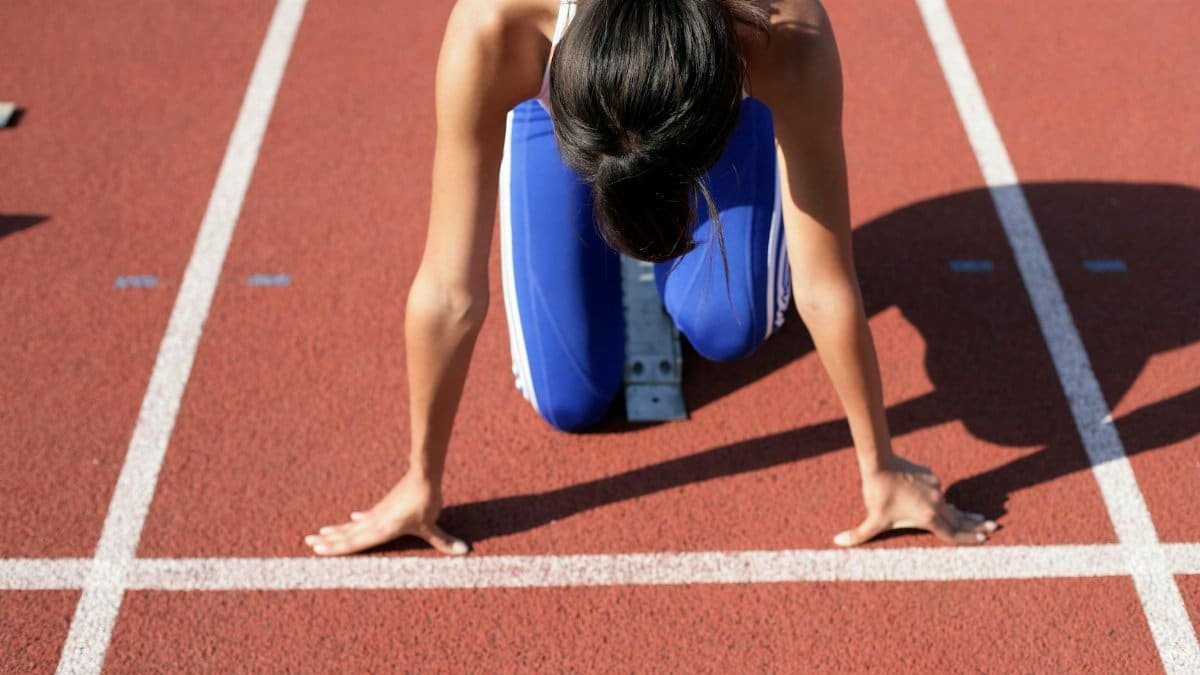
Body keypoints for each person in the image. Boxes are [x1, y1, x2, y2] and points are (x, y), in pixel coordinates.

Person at [304, 0, 997, 557]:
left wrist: (879, 466)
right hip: (562, 106)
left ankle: (697, 230)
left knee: (730, 324)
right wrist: (421, 478)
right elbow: (448, 288)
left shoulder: (783, 34)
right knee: (569, 400)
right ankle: (598, 193)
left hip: (716, 95)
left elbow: (824, 278)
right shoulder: (496, 27)